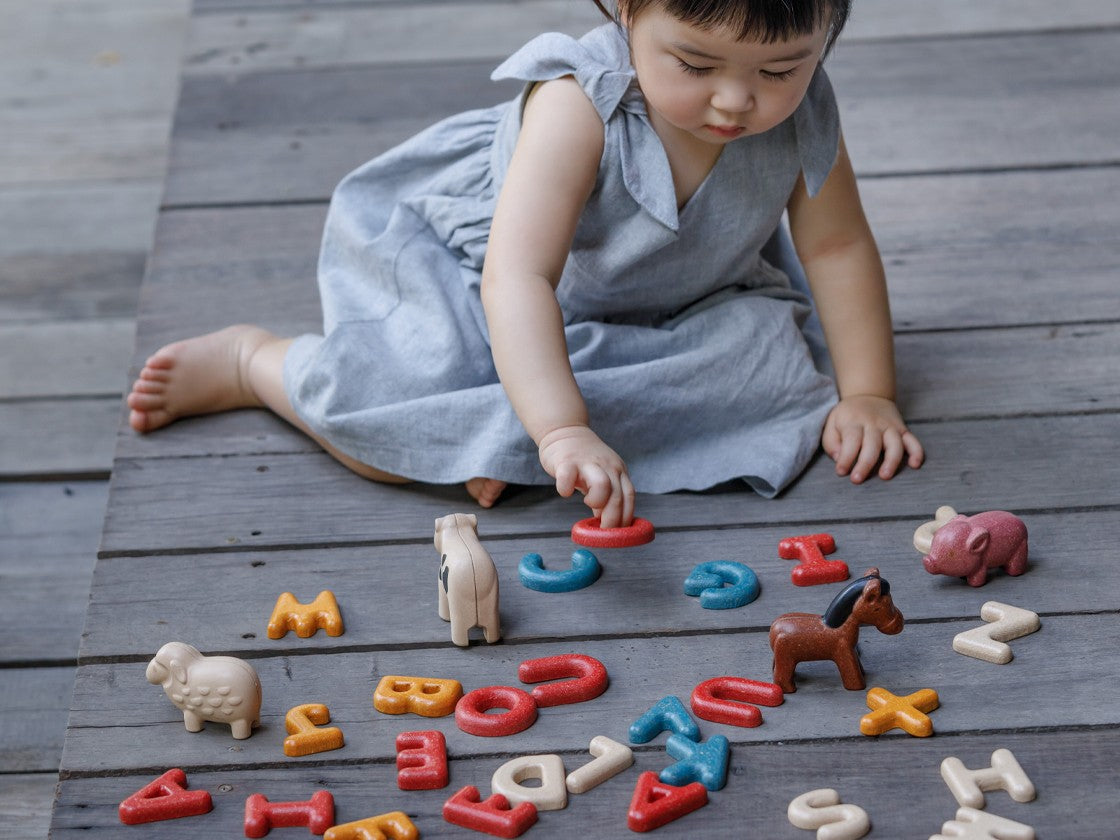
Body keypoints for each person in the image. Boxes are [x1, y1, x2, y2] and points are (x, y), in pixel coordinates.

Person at [127, 0, 924, 530]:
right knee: (384, 412)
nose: (734, 102)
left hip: (684, 301)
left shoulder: (806, 110)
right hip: (483, 281)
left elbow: (836, 246)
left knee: (785, 383)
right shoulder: (580, 107)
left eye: (778, 70)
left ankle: (502, 442)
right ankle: (257, 364)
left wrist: (869, 395)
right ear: (626, 5)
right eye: (695, 63)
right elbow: (518, 278)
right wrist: (562, 427)